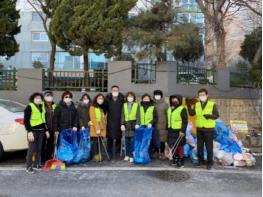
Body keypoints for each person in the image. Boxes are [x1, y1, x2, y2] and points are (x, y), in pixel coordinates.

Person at [186, 88, 219, 170]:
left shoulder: (212, 104)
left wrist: (209, 116)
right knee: (199, 146)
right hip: (199, 128)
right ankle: (201, 161)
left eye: (203, 95)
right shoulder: (197, 104)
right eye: (200, 95)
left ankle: (209, 162)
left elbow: (216, 115)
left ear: (207, 95)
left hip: (208, 129)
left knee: (209, 147)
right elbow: (192, 114)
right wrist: (189, 105)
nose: (202, 96)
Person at [24, 92, 50, 174]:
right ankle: (28, 167)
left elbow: (43, 120)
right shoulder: (29, 107)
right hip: (33, 131)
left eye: (40, 98)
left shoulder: (42, 106)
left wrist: (46, 130)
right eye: (36, 98)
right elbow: (26, 121)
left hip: (41, 130)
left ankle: (36, 164)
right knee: (32, 149)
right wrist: (29, 132)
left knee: (39, 148)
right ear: (33, 99)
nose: (38, 99)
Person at [167, 95, 188, 168]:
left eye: (176, 99)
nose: (174, 101)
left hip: (179, 130)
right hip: (171, 129)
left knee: (180, 146)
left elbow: (185, 121)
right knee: (172, 145)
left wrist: (182, 130)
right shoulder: (169, 108)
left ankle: (181, 160)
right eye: (173, 99)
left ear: (179, 100)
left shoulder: (182, 109)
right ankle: (175, 158)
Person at [105, 85, 124, 159]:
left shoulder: (122, 98)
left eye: (116, 90)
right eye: (113, 90)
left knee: (118, 137)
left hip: (119, 120)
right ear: (111, 90)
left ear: (118, 91)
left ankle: (117, 152)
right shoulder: (108, 98)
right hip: (110, 120)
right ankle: (109, 152)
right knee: (109, 138)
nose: (115, 91)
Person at [120, 92, 140, 163]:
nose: (130, 98)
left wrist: (138, 123)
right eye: (128, 96)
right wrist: (122, 124)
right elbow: (122, 115)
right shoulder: (124, 105)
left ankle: (131, 155)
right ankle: (127, 155)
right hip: (126, 124)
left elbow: (138, 115)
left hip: (133, 124)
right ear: (126, 98)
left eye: (131, 96)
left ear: (134, 98)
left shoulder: (136, 105)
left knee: (132, 141)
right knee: (126, 141)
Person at [89, 93, 107, 162]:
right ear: (96, 99)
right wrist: (97, 129)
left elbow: (103, 119)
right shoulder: (92, 107)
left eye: (102, 99)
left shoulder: (101, 108)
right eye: (99, 98)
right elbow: (93, 119)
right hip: (95, 128)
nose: (100, 100)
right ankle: (95, 156)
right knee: (95, 143)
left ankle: (99, 156)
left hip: (102, 128)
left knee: (100, 142)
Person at [41, 89, 56, 163]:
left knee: (51, 144)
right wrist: (45, 130)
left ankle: (49, 158)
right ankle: (43, 159)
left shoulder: (53, 105)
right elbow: (41, 118)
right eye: (47, 96)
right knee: (43, 144)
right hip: (44, 128)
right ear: (44, 97)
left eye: (50, 96)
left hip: (52, 128)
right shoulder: (41, 105)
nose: (49, 97)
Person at [153, 90, 168, 160]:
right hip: (154, 124)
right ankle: (155, 152)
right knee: (155, 139)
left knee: (162, 140)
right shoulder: (152, 103)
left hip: (163, 124)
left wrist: (168, 124)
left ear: (161, 96)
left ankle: (162, 153)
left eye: (158, 95)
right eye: (156, 95)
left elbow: (168, 115)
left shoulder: (165, 104)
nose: (157, 96)